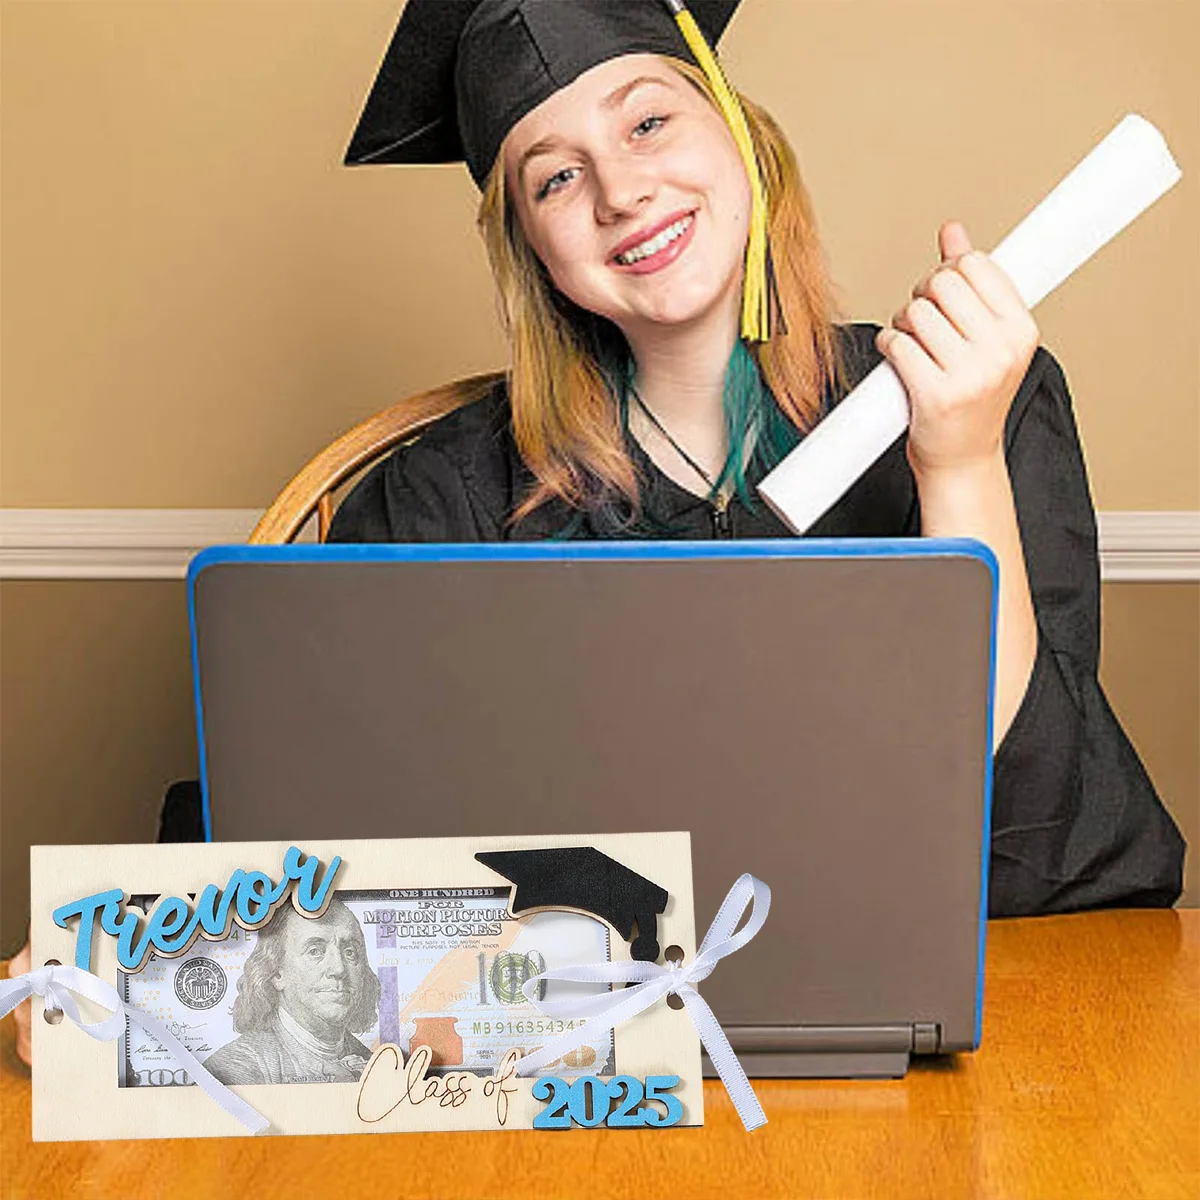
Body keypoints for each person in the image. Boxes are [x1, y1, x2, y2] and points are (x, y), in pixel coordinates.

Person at [6, 0, 1185, 1070]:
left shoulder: (971, 397)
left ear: (742, 137)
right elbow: (294, 841)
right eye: (554, 178)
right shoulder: (443, 502)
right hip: (560, 1068)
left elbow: (1037, 857)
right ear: (530, 247)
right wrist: (114, 974)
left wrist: (960, 461)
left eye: (650, 121)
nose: (621, 192)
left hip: (913, 1055)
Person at [203, 900, 381, 1086]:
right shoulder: (233, 1069)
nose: (338, 969)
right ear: (277, 972)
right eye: (315, 951)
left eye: (350, 952)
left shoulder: (374, 1063)